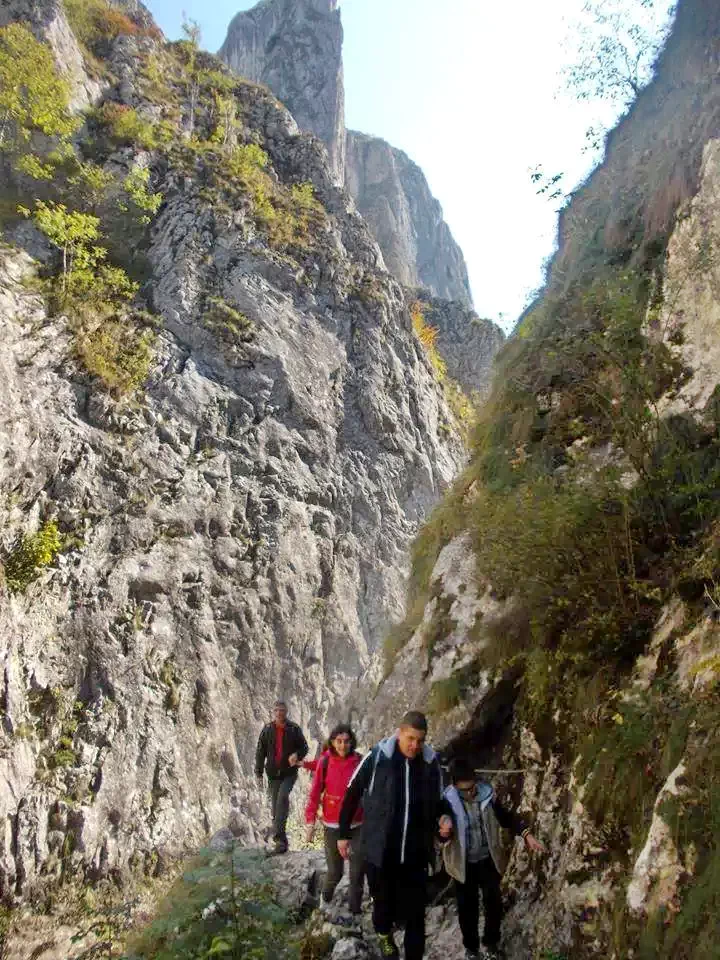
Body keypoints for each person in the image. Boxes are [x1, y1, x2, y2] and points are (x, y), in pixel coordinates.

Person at [337, 710, 452, 960]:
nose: (415, 745)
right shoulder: (378, 757)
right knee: (383, 905)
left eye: (420, 740)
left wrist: (444, 821)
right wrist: (343, 833)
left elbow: (440, 802)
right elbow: (352, 792)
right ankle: (384, 934)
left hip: (415, 854)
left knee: (416, 915)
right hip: (381, 851)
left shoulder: (431, 764)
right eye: (410, 738)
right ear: (399, 733)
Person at [441, 757, 545, 960]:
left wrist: (526, 835)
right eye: (464, 791)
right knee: (467, 909)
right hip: (462, 865)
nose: (470, 793)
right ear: (454, 786)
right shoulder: (446, 802)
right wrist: (443, 833)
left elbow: (506, 818)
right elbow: (437, 833)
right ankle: (472, 950)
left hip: (487, 859)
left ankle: (491, 944)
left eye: (472, 788)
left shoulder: (487, 796)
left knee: (493, 902)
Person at [305, 724, 365, 918]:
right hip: (332, 825)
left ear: (351, 742)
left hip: (357, 824)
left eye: (346, 741)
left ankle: (355, 912)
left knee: (357, 872)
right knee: (335, 872)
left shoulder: (359, 761)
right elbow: (315, 793)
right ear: (332, 742)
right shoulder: (325, 762)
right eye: (339, 741)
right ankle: (325, 902)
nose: (343, 745)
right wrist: (310, 821)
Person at [255, 700, 309, 853]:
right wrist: (258, 773)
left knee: (282, 798)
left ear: (286, 712)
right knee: (275, 807)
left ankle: (280, 840)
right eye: (277, 710)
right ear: (273, 712)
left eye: (282, 710)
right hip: (273, 774)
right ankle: (281, 842)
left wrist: (296, 755)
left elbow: (304, 747)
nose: (279, 713)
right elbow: (260, 752)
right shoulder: (267, 730)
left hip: (289, 773)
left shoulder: (294, 729)